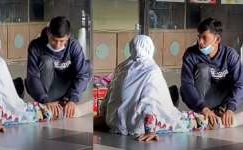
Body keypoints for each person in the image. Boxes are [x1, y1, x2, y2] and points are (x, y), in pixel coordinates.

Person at [97, 35, 243, 142]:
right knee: (190, 120)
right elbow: (150, 102)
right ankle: (227, 121)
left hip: (115, 123)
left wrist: (103, 117)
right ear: (150, 48)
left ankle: (175, 99)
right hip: (139, 125)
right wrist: (150, 130)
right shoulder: (151, 69)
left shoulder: (121, 67)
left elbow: (108, 97)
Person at [181, 18, 243, 128]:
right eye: (199, 37)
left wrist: (231, 107)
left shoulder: (230, 55)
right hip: (201, 100)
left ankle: (221, 111)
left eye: (204, 38)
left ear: (217, 39)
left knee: (234, 79)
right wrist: (202, 107)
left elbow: (240, 84)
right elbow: (187, 86)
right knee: (202, 69)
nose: (200, 42)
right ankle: (201, 113)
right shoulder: (191, 54)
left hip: (221, 99)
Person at [26, 16, 90, 119]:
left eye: (62, 41)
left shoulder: (74, 46)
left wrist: (73, 99)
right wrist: (45, 100)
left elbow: (82, 75)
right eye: (54, 40)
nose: (57, 45)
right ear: (48, 33)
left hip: (64, 89)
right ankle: (49, 102)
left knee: (87, 66)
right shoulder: (36, 46)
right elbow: (32, 77)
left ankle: (64, 101)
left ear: (68, 36)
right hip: (46, 91)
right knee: (46, 61)